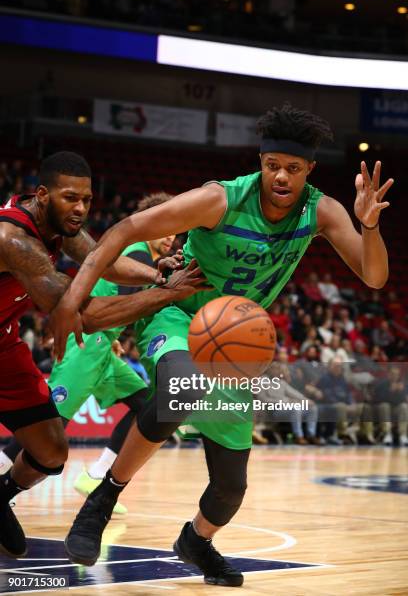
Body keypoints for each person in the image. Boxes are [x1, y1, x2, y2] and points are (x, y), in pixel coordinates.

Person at [51, 103, 393, 586]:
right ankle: (102, 499)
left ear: (309, 171)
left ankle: (196, 540)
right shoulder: (219, 199)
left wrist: (370, 226)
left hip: (233, 346)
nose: (280, 176)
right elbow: (126, 230)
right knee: (179, 387)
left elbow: (375, 277)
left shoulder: (322, 210)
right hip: (180, 314)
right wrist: (72, 298)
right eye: (272, 164)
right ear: (261, 161)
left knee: (230, 488)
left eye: (292, 168)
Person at [0, 151, 207, 559]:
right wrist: (167, 292)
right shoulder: (13, 241)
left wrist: (157, 274)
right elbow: (85, 314)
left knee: (52, 451)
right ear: (43, 195)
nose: (80, 208)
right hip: (82, 340)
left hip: (4, 343)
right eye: (70, 198)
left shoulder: (59, 225)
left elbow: (106, 265)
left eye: (87, 200)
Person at [0, 191, 177, 515]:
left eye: (175, 233)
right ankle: (4, 485)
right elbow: (110, 307)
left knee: (147, 405)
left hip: (103, 346)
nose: (171, 238)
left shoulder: (146, 262)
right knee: (47, 426)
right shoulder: (137, 254)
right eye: (165, 230)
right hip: (86, 341)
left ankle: (97, 475)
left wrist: (113, 338)